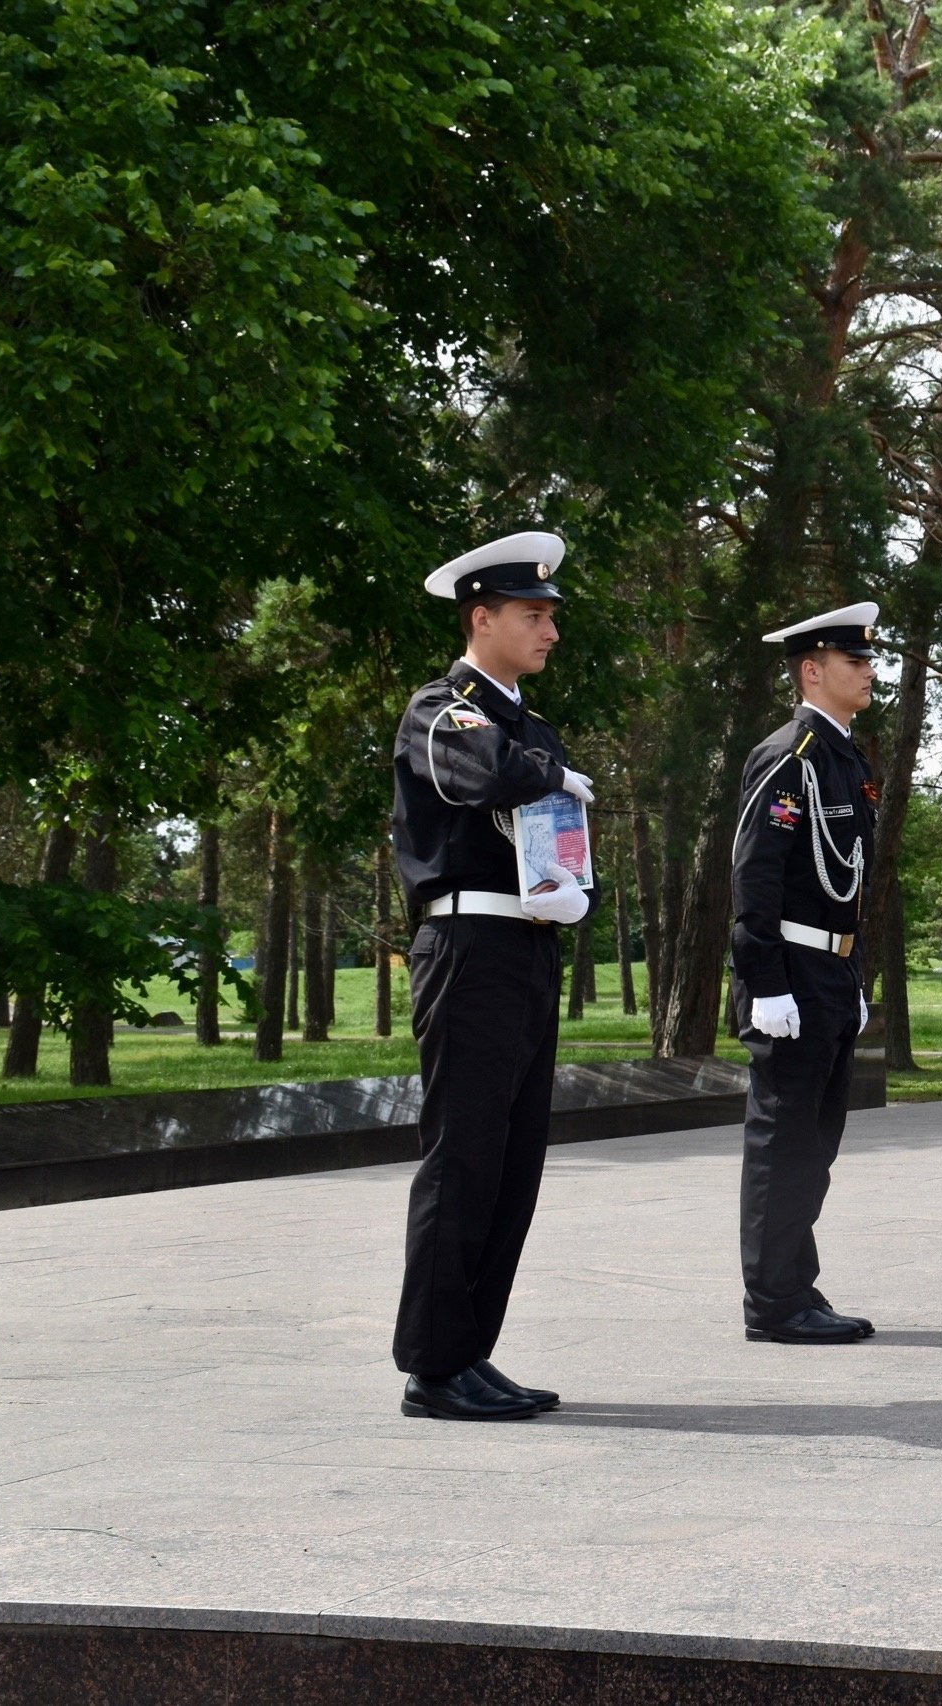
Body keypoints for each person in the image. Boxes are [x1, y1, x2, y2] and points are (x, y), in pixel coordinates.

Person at [391, 530, 595, 1421]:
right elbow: (488, 778)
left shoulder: (534, 728)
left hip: (526, 949)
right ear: (483, 618)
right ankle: (433, 1365)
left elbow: (549, 817)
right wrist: (552, 774)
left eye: (551, 616)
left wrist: (575, 888)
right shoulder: (443, 710)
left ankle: (473, 1351)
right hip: (466, 951)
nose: (549, 631)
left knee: (513, 1165)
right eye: (533, 615)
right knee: (463, 1157)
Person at [728, 605, 884, 1345]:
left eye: (868, 659)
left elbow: (851, 882)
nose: (868, 670)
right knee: (783, 1141)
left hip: (830, 966)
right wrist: (764, 982)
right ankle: (773, 1303)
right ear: (812, 670)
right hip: (789, 965)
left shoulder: (846, 758)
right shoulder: (789, 755)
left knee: (814, 1142)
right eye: (852, 660)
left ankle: (797, 1285)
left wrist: (852, 979)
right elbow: (756, 874)